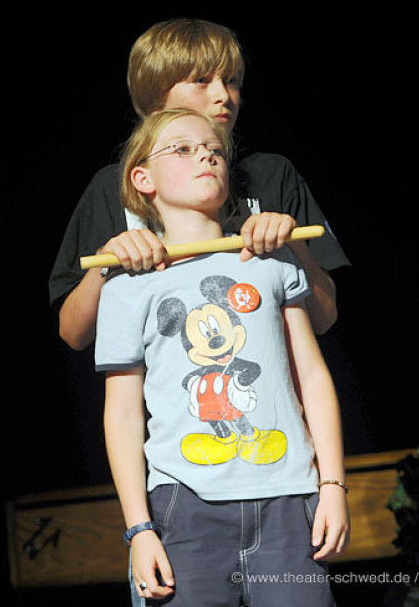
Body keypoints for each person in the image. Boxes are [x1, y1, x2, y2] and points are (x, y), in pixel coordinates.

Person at [96, 108, 349, 606]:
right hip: (184, 508)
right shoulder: (126, 285)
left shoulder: (270, 260)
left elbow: (312, 378)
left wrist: (334, 483)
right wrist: (139, 529)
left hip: (287, 499)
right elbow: (122, 412)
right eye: (183, 149)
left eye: (214, 149)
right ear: (141, 178)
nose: (206, 156)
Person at [49, 18, 350, 351]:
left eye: (231, 81)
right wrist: (106, 262)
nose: (224, 95)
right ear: (154, 99)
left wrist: (293, 246)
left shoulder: (272, 173)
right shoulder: (113, 184)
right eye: (202, 80)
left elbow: (325, 317)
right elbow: (73, 334)